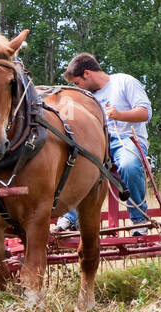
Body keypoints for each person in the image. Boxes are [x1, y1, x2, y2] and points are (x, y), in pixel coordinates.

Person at [53, 53, 151, 233]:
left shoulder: (124, 82)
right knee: (75, 166)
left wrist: (119, 115)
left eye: (77, 83)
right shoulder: (82, 97)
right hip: (97, 145)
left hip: (126, 140)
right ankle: (69, 217)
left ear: (87, 74)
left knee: (129, 164)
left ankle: (139, 220)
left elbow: (145, 113)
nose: (77, 87)